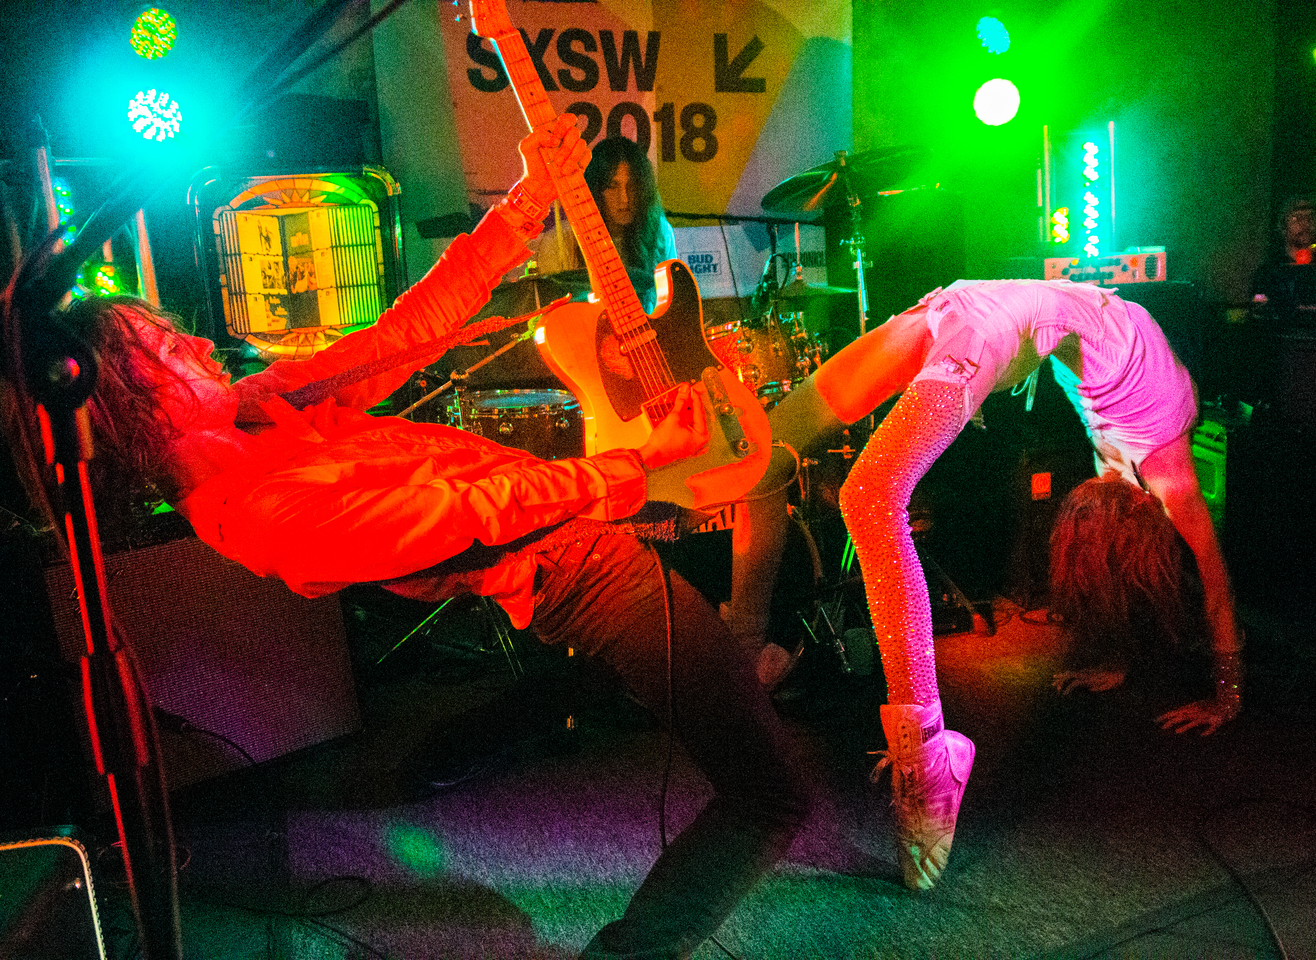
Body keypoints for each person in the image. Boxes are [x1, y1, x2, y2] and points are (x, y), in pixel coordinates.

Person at [7, 117, 810, 960]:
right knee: (770, 793)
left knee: (751, 764)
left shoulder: (264, 407)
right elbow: (470, 514)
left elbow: (411, 328)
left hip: (583, 543)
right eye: (171, 347)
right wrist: (629, 468)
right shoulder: (253, 510)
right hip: (582, 573)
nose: (202, 342)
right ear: (129, 399)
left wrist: (528, 200)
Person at [730, 278, 1243, 891]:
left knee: (866, 495)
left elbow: (1206, 586)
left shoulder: (1158, 477)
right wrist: (1143, 665)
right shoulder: (1157, 469)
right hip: (964, 307)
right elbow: (1210, 587)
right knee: (761, 454)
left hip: (1000, 321)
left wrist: (1223, 696)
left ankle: (929, 757)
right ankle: (741, 652)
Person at [534, 134, 678, 312]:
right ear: (596, 188)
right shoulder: (560, 241)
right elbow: (553, 317)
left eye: (632, 186)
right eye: (613, 186)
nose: (624, 198)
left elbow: (670, 306)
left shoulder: (660, 232)